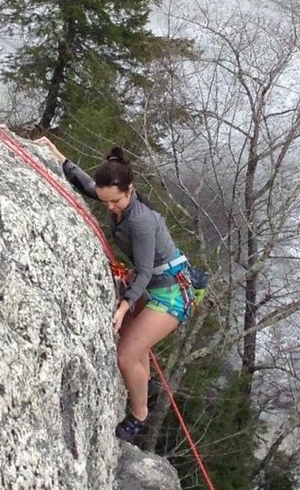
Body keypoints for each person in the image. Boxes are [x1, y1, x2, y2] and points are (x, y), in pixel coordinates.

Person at [37, 138, 194, 442]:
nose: (109, 206)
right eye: (106, 201)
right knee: (135, 347)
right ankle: (143, 383)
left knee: (126, 355)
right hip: (156, 286)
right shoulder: (115, 198)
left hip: (173, 293)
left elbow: (147, 271)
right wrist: (58, 155)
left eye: (115, 202)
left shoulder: (142, 222)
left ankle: (139, 415)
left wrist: (123, 307)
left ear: (130, 191)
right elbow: (87, 186)